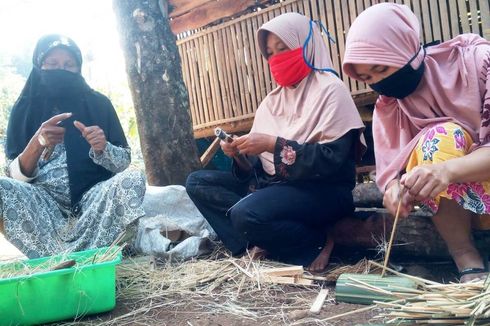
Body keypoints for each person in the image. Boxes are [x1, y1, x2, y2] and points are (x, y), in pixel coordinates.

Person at [186, 13, 365, 272]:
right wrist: (238, 154)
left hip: (322, 191)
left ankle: (317, 242)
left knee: (245, 213)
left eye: (283, 48)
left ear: (305, 45)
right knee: (196, 182)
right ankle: (252, 243)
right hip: (277, 189)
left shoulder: (330, 90)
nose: (277, 58)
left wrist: (273, 144)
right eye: (270, 53)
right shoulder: (271, 101)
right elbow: (259, 170)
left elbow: (330, 161)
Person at [342, 3, 490, 282]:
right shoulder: (390, 106)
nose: (379, 81)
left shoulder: (477, 61)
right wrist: (397, 191)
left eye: (381, 67)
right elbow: (392, 175)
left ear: (405, 45)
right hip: (466, 207)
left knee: (439, 138)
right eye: (367, 77)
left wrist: (446, 171)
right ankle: (466, 256)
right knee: (438, 138)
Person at [0, 34, 146, 258]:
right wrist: (37, 143)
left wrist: (102, 148)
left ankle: (97, 257)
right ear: (39, 66)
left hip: (92, 200)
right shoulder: (24, 109)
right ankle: (52, 259)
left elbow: (123, 162)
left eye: (69, 65)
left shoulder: (98, 104)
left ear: (79, 68)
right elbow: (14, 177)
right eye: (52, 64)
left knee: (133, 179)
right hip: (44, 205)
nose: (62, 70)